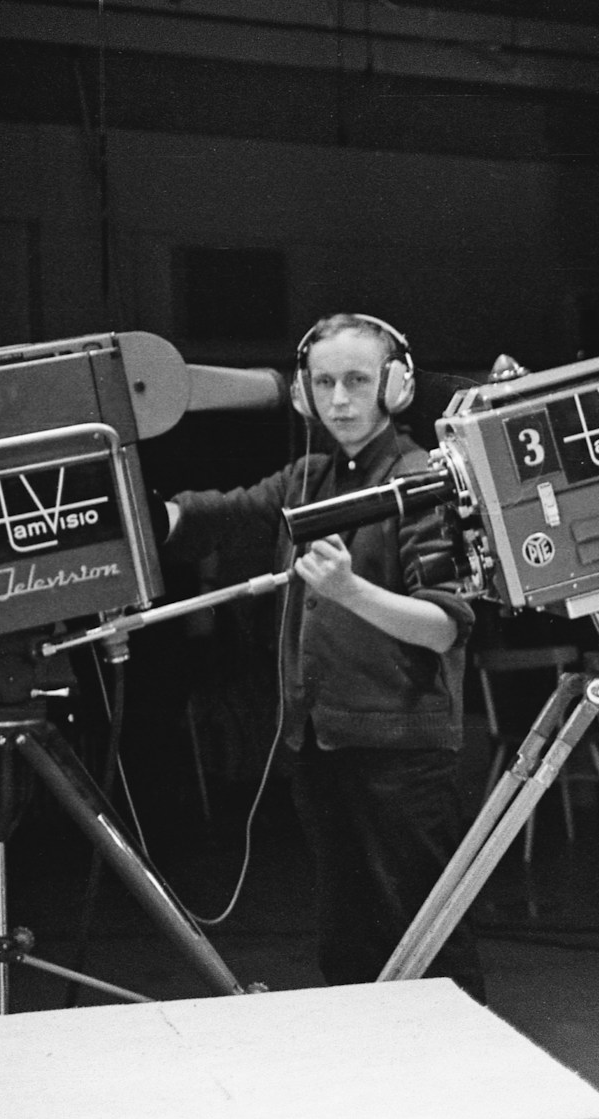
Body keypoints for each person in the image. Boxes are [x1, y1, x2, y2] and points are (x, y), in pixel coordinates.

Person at [162, 313, 485, 1001]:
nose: (340, 400)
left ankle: (461, 1087)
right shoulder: (308, 477)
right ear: (303, 393)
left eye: (358, 381)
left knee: (426, 935)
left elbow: (445, 626)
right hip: (320, 745)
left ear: (395, 387)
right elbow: (223, 513)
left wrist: (349, 590)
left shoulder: (419, 476)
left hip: (401, 750)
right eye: (325, 382)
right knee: (348, 939)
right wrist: (136, 516)